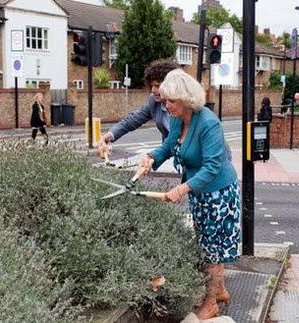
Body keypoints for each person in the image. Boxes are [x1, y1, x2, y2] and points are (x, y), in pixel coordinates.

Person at [139, 69, 240, 320]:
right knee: (207, 244)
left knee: (211, 251)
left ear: (185, 98)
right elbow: (169, 146)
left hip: (219, 194)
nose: (166, 106)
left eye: (171, 101)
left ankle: (211, 304)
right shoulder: (176, 119)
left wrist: (181, 189)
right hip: (200, 192)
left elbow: (212, 167)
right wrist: (151, 158)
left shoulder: (208, 122)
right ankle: (220, 291)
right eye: (164, 101)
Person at [97, 59, 181, 155]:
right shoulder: (154, 102)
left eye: (157, 86)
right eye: (151, 85)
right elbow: (132, 120)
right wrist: (108, 136)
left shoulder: (185, 104)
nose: (153, 90)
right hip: (173, 155)